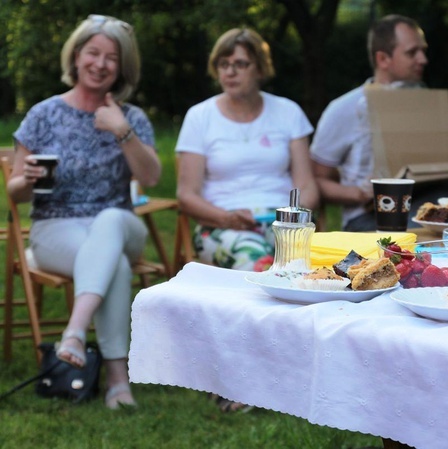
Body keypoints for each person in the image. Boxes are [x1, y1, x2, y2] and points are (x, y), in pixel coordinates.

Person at [8, 15, 161, 409]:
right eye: (93, 52)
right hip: (55, 227)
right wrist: (25, 180)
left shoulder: (132, 118)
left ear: (121, 67)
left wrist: (121, 130)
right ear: (76, 56)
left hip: (122, 226)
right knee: (114, 267)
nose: (100, 63)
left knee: (109, 222)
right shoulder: (43, 115)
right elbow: (17, 192)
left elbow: (153, 177)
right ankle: (116, 380)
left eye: (111, 57)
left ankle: (74, 330)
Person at [176, 28, 318, 273]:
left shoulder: (288, 112)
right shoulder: (200, 116)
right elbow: (187, 195)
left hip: (282, 223)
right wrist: (226, 218)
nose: (230, 72)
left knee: (319, 264)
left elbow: (307, 186)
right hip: (222, 224)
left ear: (260, 69)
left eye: (240, 64)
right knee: (257, 261)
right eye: (223, 64)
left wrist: (291, 223)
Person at [310, 14, 448, 232]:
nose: (423, 59)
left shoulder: (435, 106)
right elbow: (316, 179)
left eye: (423, 50)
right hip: (370, 219)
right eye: (412, 52)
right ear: (383, 59)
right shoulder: (344, 108)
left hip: (434, 213)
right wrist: (359, 193)